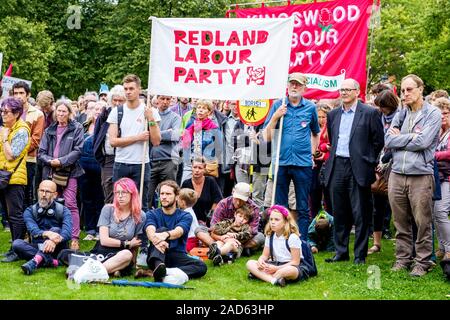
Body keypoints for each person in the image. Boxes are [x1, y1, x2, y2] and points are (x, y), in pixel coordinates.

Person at [323, 78, 384, 265]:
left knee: (361, 214)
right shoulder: (333, 114)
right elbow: (333, 139)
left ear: (357, 92)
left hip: (359, 167)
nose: (344, 93)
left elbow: (378, 141)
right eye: (341, 90)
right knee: (339, 212)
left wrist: (368, 161)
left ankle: (359, 255)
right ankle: (341, 252)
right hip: (337, 166)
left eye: (348, 90)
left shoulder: (370, 113)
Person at [385, 74, 441, 276]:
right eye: (402, 90)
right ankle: (403, 259)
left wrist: (401, 138)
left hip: (420, 175)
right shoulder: (401, 113)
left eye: (409, 90)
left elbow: (423, 142)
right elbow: (388, 141)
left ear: (420, 89)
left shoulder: (433, 113)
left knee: (422, 221)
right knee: (400, 221)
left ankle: (422, 262)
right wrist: (409, 139)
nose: (404, 94)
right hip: (397, 173)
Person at [262, 73, 320, 241]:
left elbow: (316, 133)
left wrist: (312, 153)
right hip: (281, 162)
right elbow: (266, 137)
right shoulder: (278, 105)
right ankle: (280, 239)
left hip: (302, 164)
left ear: (304, 88)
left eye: (298, 84)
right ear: (287, 86)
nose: (294, 87)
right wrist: (275, 116)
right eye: (292, 83)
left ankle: (301, 241)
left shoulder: (310, 107)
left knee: (302, 205)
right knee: (280, 206)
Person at [107, 74, 161, 211]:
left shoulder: (150, 111)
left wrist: (151, 120)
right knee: (119, 202)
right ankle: (120, 231)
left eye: (131, 88)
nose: (128, 92)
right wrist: (137, 137)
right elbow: (113, 141)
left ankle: (140, 231)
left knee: (141, 203)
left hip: (141, 163)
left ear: (139, 89)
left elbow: (156, 141)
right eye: (126, 89)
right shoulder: (116, 112)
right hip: (121, 163)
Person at [38, 99, 85, 251]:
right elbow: (41, 152)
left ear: (69, 113)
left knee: (70, 203)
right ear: (55, 112)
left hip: (70, 171)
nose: (61, 114)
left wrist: (62, 161)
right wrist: (51, 161)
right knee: (49, 201)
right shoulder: (49, 129)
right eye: (59, 111)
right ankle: (52, 235)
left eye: (64, 111)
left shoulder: (76, 128)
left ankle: (74, 238)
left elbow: (78, 150)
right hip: (51, 171)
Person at [144, 180, 207, 282]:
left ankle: (164, 272)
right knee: (161, 229)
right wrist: (157, 238)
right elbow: (149, 229)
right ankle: (158, 267)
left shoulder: (185, 215)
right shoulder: (151, 214)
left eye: (168, 194)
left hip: (177, 255)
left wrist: (165, 235)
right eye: (162, 194)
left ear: (177, 197)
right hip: (157, 255)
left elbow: (179, 231)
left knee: (201, 266)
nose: (164, 197)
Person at [246, 205, 317, 287]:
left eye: (277, 220)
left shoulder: (292, 237)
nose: (272, 222)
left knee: (288, 271)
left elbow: (295, 262)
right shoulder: (270, 236)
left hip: (291, 266)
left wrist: (276, 269)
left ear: (285, 221)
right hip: (275, 263)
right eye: (271, 219)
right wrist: (260, 261)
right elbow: (264, 255)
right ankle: (274, 280)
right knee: (250, 263)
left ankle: (261, 276)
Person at [12, 180, 72, 275]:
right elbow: (33, 230)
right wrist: (47, 234)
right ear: (37, 191)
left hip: (58, 248)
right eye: (41, 191)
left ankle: (36, 261)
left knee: (55, 230)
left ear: (55, 194)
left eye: (47, 192)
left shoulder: (64, 211)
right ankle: (52, 261)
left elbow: (67, 233)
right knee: (16, 244)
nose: (43, 194)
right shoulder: (29, 211)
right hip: (38, 246)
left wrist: (53, 240)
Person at [369, 90, 400, 254]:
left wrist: (387, 158)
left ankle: (401, 241)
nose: (381, 110)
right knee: (377, 206)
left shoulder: (401, 117)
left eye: (384, 107)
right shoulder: (378, 118)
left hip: (395, 164)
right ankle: (376, 242)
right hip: (379, 165)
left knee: (397, 206)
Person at [0, 97, 31, 262]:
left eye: (6, 112)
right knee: (8, 214)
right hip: (4, 177)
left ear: (17, 113)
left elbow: (12, 154)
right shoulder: (7, 128)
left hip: (15, 178)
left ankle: (18, 249)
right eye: (2, 111)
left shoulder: (21, 130)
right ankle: (14, 247)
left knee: (15, 215)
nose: (3, 115)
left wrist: (4, 138)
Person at [196, 182, 264, 255]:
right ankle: (230, 249)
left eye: (241, 200)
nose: (238, 202)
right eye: (236, 198)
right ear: (232, 192)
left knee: (260, 237)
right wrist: (224, 238)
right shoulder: (223, 204)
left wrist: (235, 237)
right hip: (222, 235)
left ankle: (223, 249)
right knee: (199, 230)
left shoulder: (253, 208)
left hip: (242, 238)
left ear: (247, 198)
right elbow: (214, 227)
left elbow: (252, 231)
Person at [12, 81, 45, 209]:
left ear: (28, 95)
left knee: (27, 192)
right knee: (10, 190)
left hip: (28, 159)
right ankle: (8, 221)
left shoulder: (37, 114)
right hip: (9, 158)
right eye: (15, 93)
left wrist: (16, 151)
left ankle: (27, 223)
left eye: (21, 93)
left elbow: (36, 139)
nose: (18, 96)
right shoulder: (9, 111)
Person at [148, 95, 181, 208]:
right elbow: (144, 135)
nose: (165, 102)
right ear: (157, 99)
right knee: (147, 196)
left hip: (169, 160)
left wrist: (155, 134)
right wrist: (166, 132)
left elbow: (175, 135)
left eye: (168, 99)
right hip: (151, 160)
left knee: (169, 196)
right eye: (162, 99)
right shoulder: (150, 116)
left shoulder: (175, 117)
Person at [180, 99, 223, 183]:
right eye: (199, 107)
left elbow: (219, 148)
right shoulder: (190, 125)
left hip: (206, 164)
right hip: (190, 163)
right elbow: (185, 145)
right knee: (186, 187)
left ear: (209, 112)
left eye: (204, 108)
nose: (200, 110)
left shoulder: (214, 128)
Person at [431, 97, 450, 261]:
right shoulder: (438, 131)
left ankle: (449, 248)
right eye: (440, 114)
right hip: (437, 177)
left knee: (441, 212)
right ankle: (442, 247)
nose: (443, 116)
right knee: (435, 214)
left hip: (448, 178)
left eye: (446, 113)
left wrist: (433, 156)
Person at [181, 157, 223, 225]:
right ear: (191, 168)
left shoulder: (210, 181)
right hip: (190, 221)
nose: (197, 170)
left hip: (209, 221)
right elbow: (181, 203)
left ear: (204, 169)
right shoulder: (186, 183)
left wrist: (210, 217)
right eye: (195, 167)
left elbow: (218, 200)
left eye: (200, 168)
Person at [177, 188, 200, 252]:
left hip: (188, 241)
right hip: (194, 240)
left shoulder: (185, 214)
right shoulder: (191, 211)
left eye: (178, 199)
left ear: (183, 202)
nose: (177, 200)